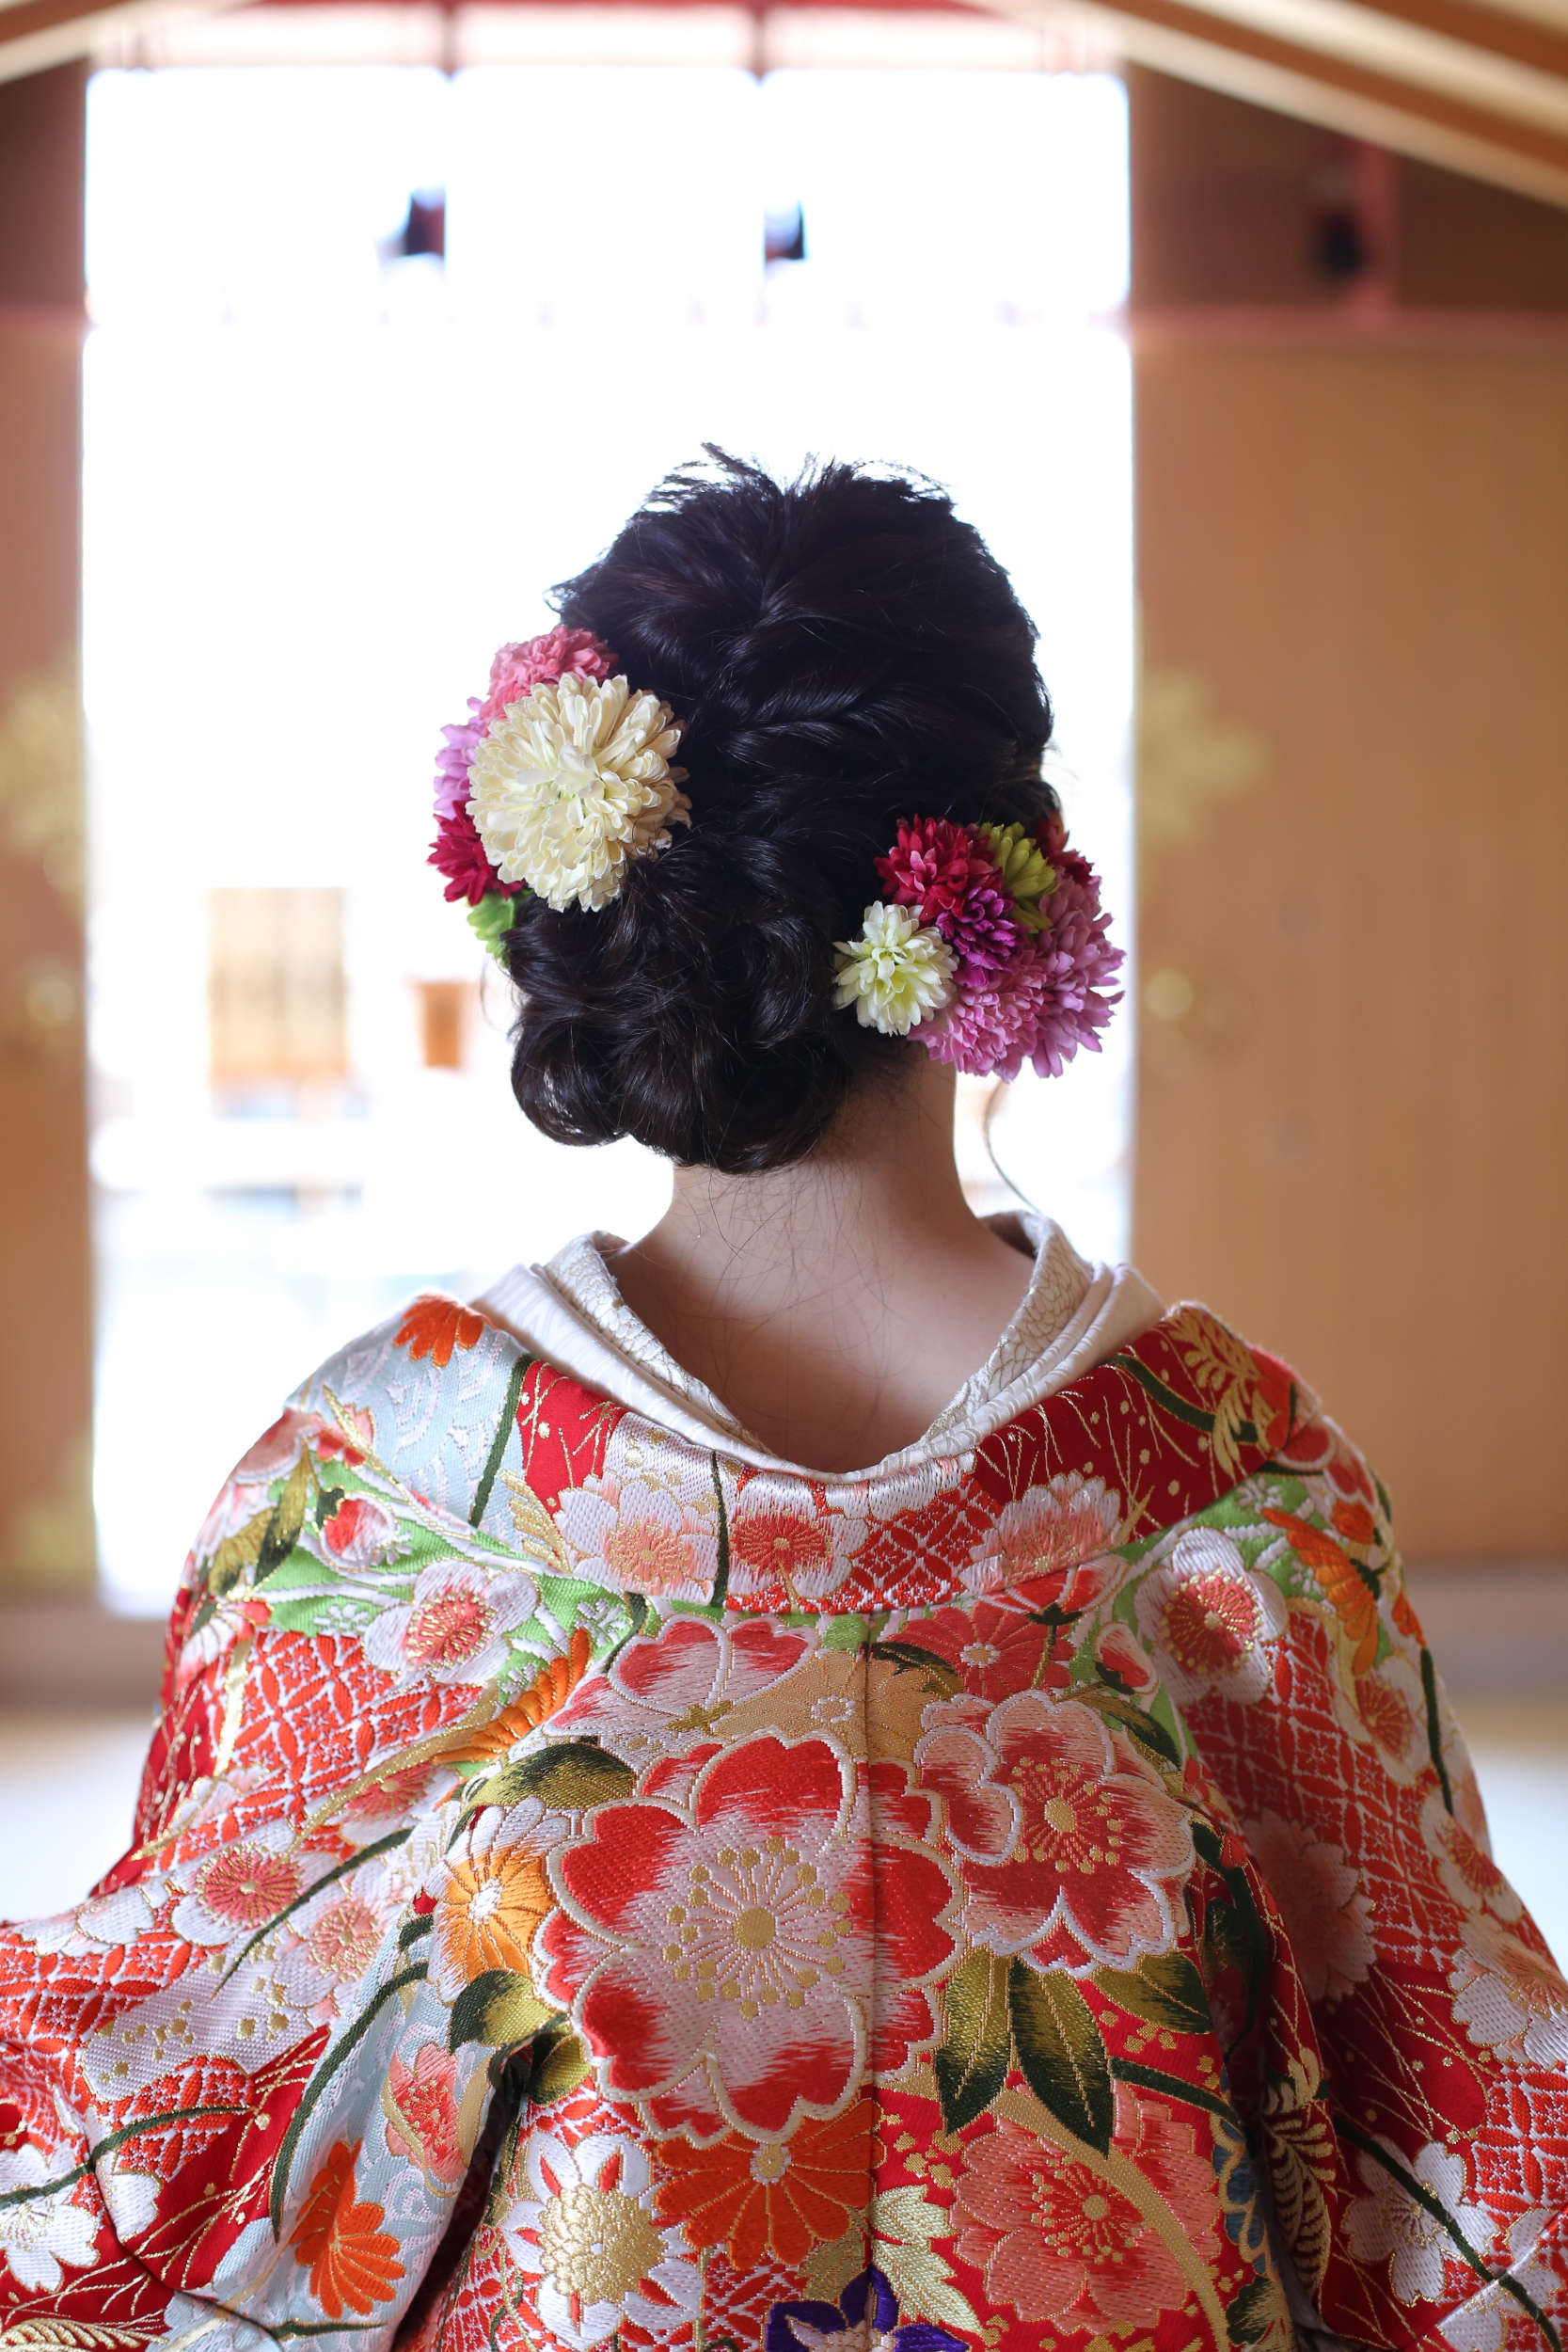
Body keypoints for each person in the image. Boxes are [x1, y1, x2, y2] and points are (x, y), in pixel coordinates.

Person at [2, 455, 1562, 2352]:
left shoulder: (378, 1499)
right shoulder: (1234, 1488)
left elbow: (149, 2096)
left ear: (575, 895)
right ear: (1019, 889)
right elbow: (1470, 2160)